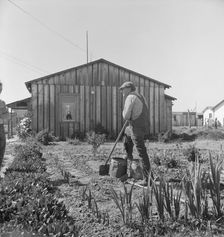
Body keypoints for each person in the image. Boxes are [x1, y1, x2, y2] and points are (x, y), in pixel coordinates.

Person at [119, 81, 152, 186]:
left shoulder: (130, 97)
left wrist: (125, 113)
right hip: (142, 125)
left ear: (128, 88)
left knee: (141, 151)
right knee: (127, 132)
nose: (122, 91)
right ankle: (128, 155)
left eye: (123, 89)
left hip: (137, 126)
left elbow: (126, 116)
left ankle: (148, 179)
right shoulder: (140, 96)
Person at [0, 81, 8, 168]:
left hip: (0, 127)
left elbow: (7, 116)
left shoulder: (2, 102)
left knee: (2, 147)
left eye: (0, 89)